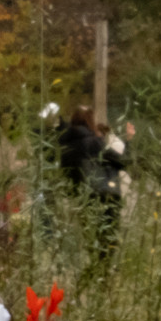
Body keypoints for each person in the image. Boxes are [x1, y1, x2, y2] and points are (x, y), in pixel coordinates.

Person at [57, 106, 127, 257]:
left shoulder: (65, 146)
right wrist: (127, 143)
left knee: (90, 240)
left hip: (82, 198)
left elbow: (66, 173)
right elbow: (120, 161)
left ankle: (93, 267)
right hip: (104, 196)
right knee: (107, 242)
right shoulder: (93, 142)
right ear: (90, 121)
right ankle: (103, 269)